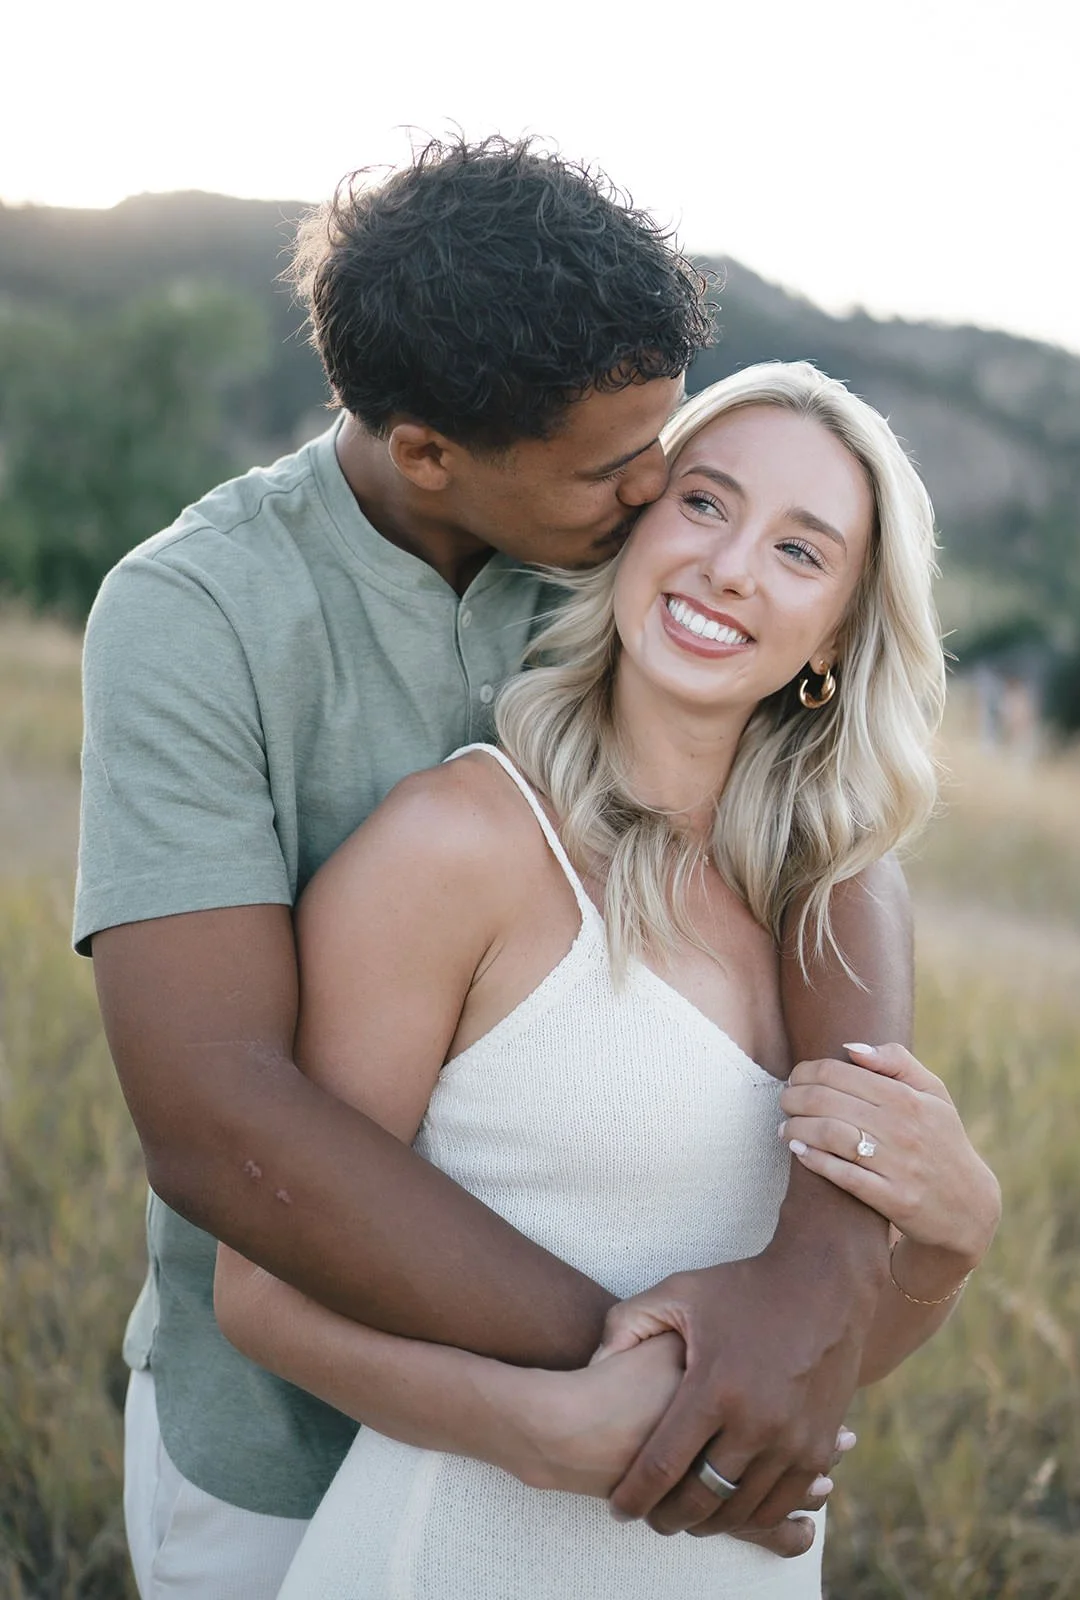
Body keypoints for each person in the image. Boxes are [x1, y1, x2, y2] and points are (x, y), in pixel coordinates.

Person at [78, 138, 918, 1598]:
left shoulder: (622, 550)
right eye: (615, 466)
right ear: (430, 456)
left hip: (611, 1477)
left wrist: (827, 1253)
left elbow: (811, 805)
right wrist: (673, 1363)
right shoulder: (196, 615)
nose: (659, 487)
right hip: (282, 1432)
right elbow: (218, 1121)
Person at [212, 360, 1001, 1598]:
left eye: (799, 551)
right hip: (455, 1554)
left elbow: (820, 1360)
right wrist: (523, 1427)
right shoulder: (457, 844)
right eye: (705, 503)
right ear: (634, 525)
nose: (730, 567)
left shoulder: (837, 904)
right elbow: (257, 1292)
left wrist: (951, 1240)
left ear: (840, 633)